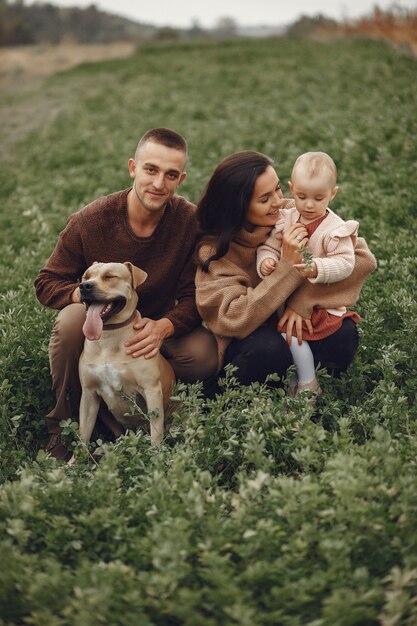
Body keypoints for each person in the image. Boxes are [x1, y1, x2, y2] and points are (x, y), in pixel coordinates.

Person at [35, 127, 218, 460]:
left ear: (181, 179)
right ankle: (62, 427)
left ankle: (156, 408)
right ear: (133, 167)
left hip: (153, 330)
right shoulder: (91, 220)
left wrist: (165, 326)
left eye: (170, 174)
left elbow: (197, 296)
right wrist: (86, 295)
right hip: (100, 329)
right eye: (151, 170)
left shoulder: (189, 222)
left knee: (204, 351)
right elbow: (46, 282)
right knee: (69, 322)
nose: (159, 183)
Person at [195, 150, 376, 392]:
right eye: (264, 198)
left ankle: (308, 390)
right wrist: (287, 266)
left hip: (296, 322)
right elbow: (232, 317)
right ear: (238, 206)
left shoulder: (293, 212)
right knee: (269, 350)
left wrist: (302, 303)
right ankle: (243, 403)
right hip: (252, 339)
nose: (279, 201)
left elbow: (362, 259)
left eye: (279, 189)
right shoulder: (215, 252)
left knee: (343, 334)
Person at [256, 151, 360, 399]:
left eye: (318, 197)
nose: (309, 205)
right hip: (287, 300)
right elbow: (268, 246)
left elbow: (346, 262)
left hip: (320, 307)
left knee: (291, 335)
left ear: (332, 194)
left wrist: (318, 268)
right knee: (287, 335)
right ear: (292, 188)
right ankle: (300, 379)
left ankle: (307, 383)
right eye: (301, 196)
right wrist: (267, 261)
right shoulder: (286, 218)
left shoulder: (335, 229)